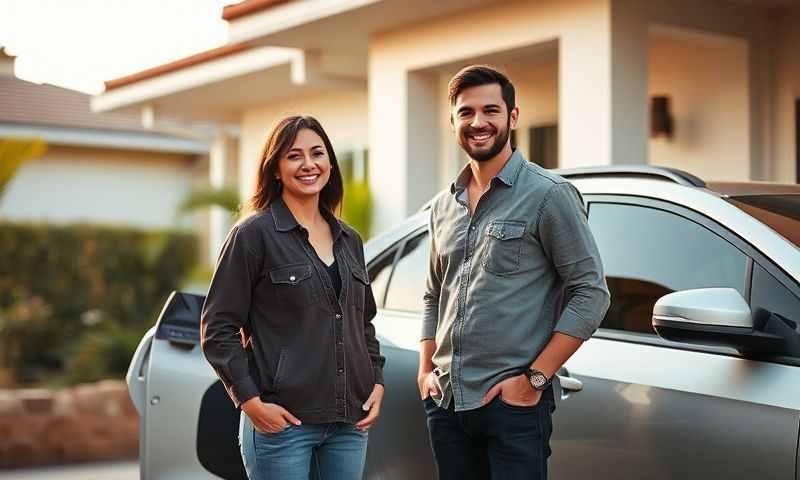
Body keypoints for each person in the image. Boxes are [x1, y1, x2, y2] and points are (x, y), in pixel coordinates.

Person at [418, 64, 610, 480]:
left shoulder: (549, 195)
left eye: (491, 110)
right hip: (448, 405)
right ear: (452, 121)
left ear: (513, 117)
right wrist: (424, 370)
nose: (478, 122)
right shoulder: (441, 206)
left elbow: (591, 293)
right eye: (466, 113)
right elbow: (435, 294)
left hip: (513, 408)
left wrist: (535, 378)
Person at [201, 115, 385, 480]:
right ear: (275, 169)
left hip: (349, 424)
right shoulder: (253, 236)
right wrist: (250, 402)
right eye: (294, 155)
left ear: (330, 164)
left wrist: (376, 380)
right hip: (283, 425)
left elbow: (362, 322)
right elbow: (217, 328)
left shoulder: (350, 240)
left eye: (317, 153)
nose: (308, 164)